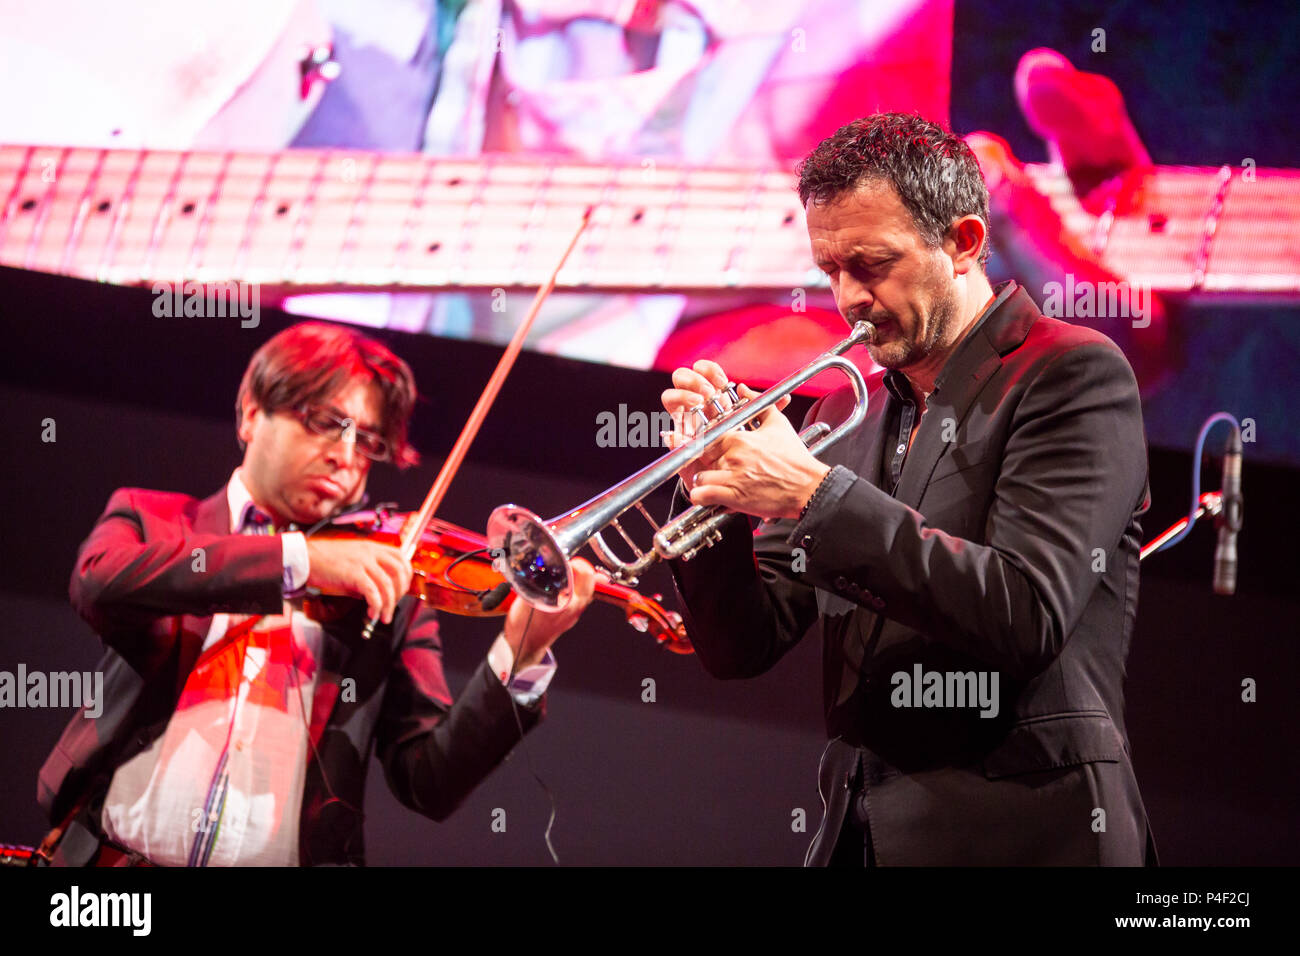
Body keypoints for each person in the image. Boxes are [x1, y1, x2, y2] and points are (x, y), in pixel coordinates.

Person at [660, 112, 1157, 865]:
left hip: (1031, 835)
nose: (849, 297)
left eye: (873, 263)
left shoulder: (1072, 374)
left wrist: (813, 494)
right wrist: (714, 497)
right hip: (863, 838)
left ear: (963, 242)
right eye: (830, 270)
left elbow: (1025, 612)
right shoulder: (838, 415)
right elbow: (742, 646)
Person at [36, 320, 595, 866]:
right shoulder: (156, 519)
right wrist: (300, 561)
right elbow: (99, 582)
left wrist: (520, 653)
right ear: (253, 413)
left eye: (368, 442)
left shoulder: (388, 588)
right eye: (327, 423)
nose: (347, 457)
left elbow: (429, 781)